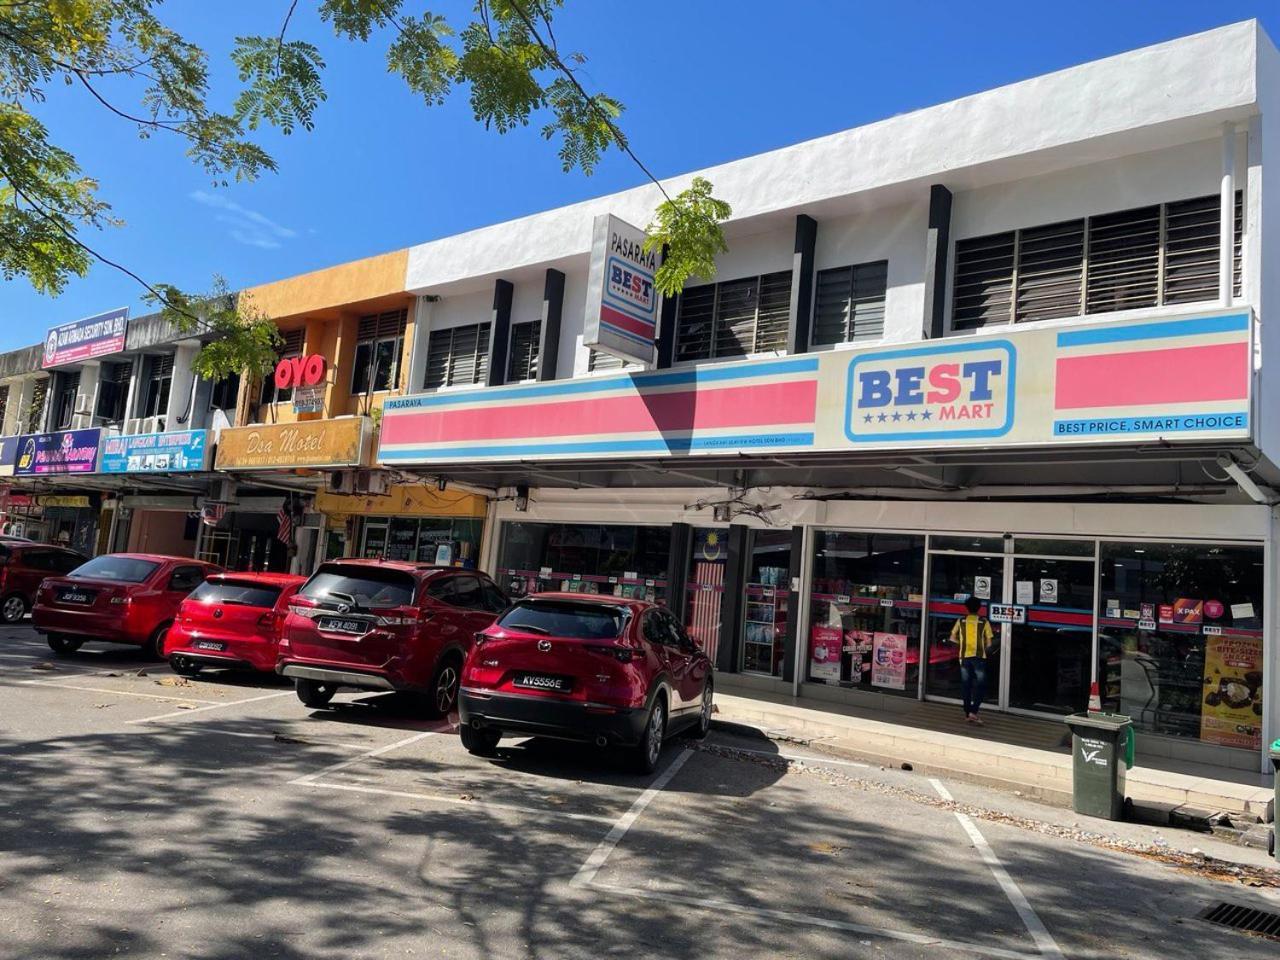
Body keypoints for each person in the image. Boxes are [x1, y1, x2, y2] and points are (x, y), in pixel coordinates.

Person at [949, 595, 995, 725]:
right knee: (981, 685)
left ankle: (967, 713)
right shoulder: (984, 622)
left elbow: (952, 638)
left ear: (966, 608)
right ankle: (973, 712)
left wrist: (962, 643)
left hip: (964, 657)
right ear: (979, 608)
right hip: (979, 657)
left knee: (966, 686)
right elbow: (989, 643)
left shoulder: (961, 621)